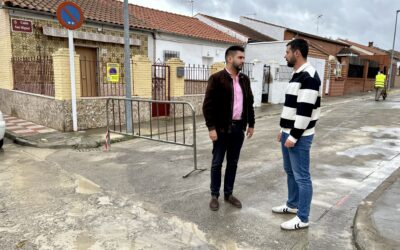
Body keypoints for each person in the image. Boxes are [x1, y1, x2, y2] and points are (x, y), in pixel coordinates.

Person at [272, 38, 321, 230]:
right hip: (288, 132)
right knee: (290, 171)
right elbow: (292, 107)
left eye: (287, 52)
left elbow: (305, 111)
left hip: (299, 136)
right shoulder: (297, 74)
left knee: (302, 176)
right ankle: (292, 205)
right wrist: (283, 130)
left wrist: (293, 136)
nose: (285, 55)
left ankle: (303, 217)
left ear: (297, 53)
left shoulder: (309, 76)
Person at [203, 45, 255, 211]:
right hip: (220, 129)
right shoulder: (217, 79)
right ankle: (214, 195)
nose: (243, 60)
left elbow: (249, 104)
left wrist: (251, 124)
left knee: (232, 163)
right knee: (217, 162)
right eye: (240, 58)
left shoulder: (244, 80)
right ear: (230, 58)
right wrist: (211, 128)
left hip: (238, 128)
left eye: (243, 58)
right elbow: (207, 106)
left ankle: (228, 193)